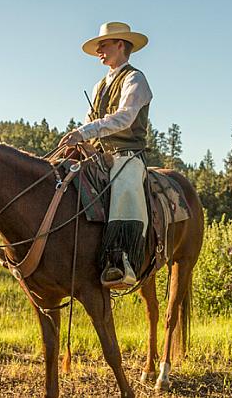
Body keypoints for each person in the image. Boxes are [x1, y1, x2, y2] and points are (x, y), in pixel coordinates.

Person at [59, 22, 152, 287]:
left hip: (126, 154)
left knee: (125, 185)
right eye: (98, 46)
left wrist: (85, 131)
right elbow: (90, 120)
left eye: (104, 45)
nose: (99, 50)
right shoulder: (100, 85)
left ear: (120, 45)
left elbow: (124, 117)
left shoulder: (135, 79)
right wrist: (79, 139)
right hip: (98, 154)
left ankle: (121, 261)